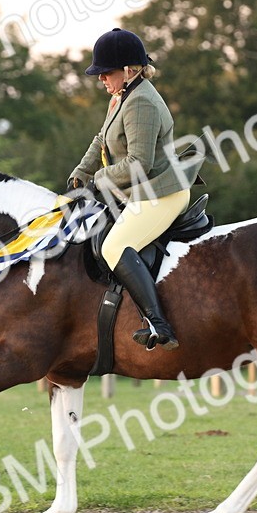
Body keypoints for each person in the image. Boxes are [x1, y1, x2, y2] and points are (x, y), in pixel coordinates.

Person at [68, 28, 203, 351]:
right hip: (137, 193)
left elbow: (138, 162)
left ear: (130, 70)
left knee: (113, 247)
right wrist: (80, 172)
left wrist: (99, 178)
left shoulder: (141, 102)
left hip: (162, 193)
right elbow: (102, 139)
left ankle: (159, 325)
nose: (101, 79)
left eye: (106, 73)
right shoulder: (121, 97)